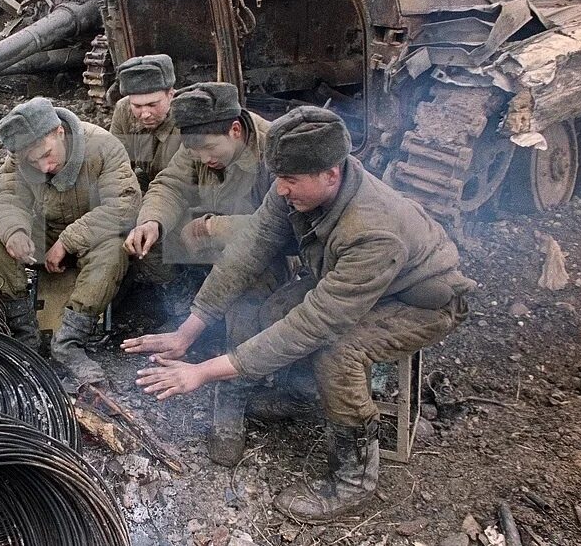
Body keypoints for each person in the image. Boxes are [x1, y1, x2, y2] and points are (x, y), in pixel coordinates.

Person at [123, 106, 475, 522]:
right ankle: (297, 396)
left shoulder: (371, 230)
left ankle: (354, 480)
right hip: (353, 281)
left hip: (420, 301)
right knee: (273, 307)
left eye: (290, 181)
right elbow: (246, 253)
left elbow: (314, 324)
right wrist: (189, 331)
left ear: (331, 173)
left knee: (338, 352)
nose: (281, 189)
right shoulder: (294, 183)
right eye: (279, 179)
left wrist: (205, 371)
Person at [0, 97, 141, 383]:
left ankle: (68, 343)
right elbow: (6, 199)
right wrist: (15, 232)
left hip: (91, 235)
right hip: (47, 232)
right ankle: (23, 333)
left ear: (59, 132)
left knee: (114, 249)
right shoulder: (20, 155)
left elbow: (124, 206)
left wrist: (67, 243)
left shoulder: (102, 146)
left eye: (46, 154)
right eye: (33, 161)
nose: (43, 166)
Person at [124, 82, 273, 268]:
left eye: (210, 148)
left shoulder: (274, 150)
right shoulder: (199, 141)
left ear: (235, 130)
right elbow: (171, 185)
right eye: (195, 151)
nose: (204, 159)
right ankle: (177, 285)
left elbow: (279, 225)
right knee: (152, 238)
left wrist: (214, 228)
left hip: (261, 249)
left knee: (242, 288)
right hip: (210, 235)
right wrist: (151, 222)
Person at [110, 54, 181, 192]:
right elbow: (116, 163)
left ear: (171, 95)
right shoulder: (123, 110)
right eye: (137, 106)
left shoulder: (188, 117)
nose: (145, 114)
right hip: (148, 180)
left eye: (152, 104)